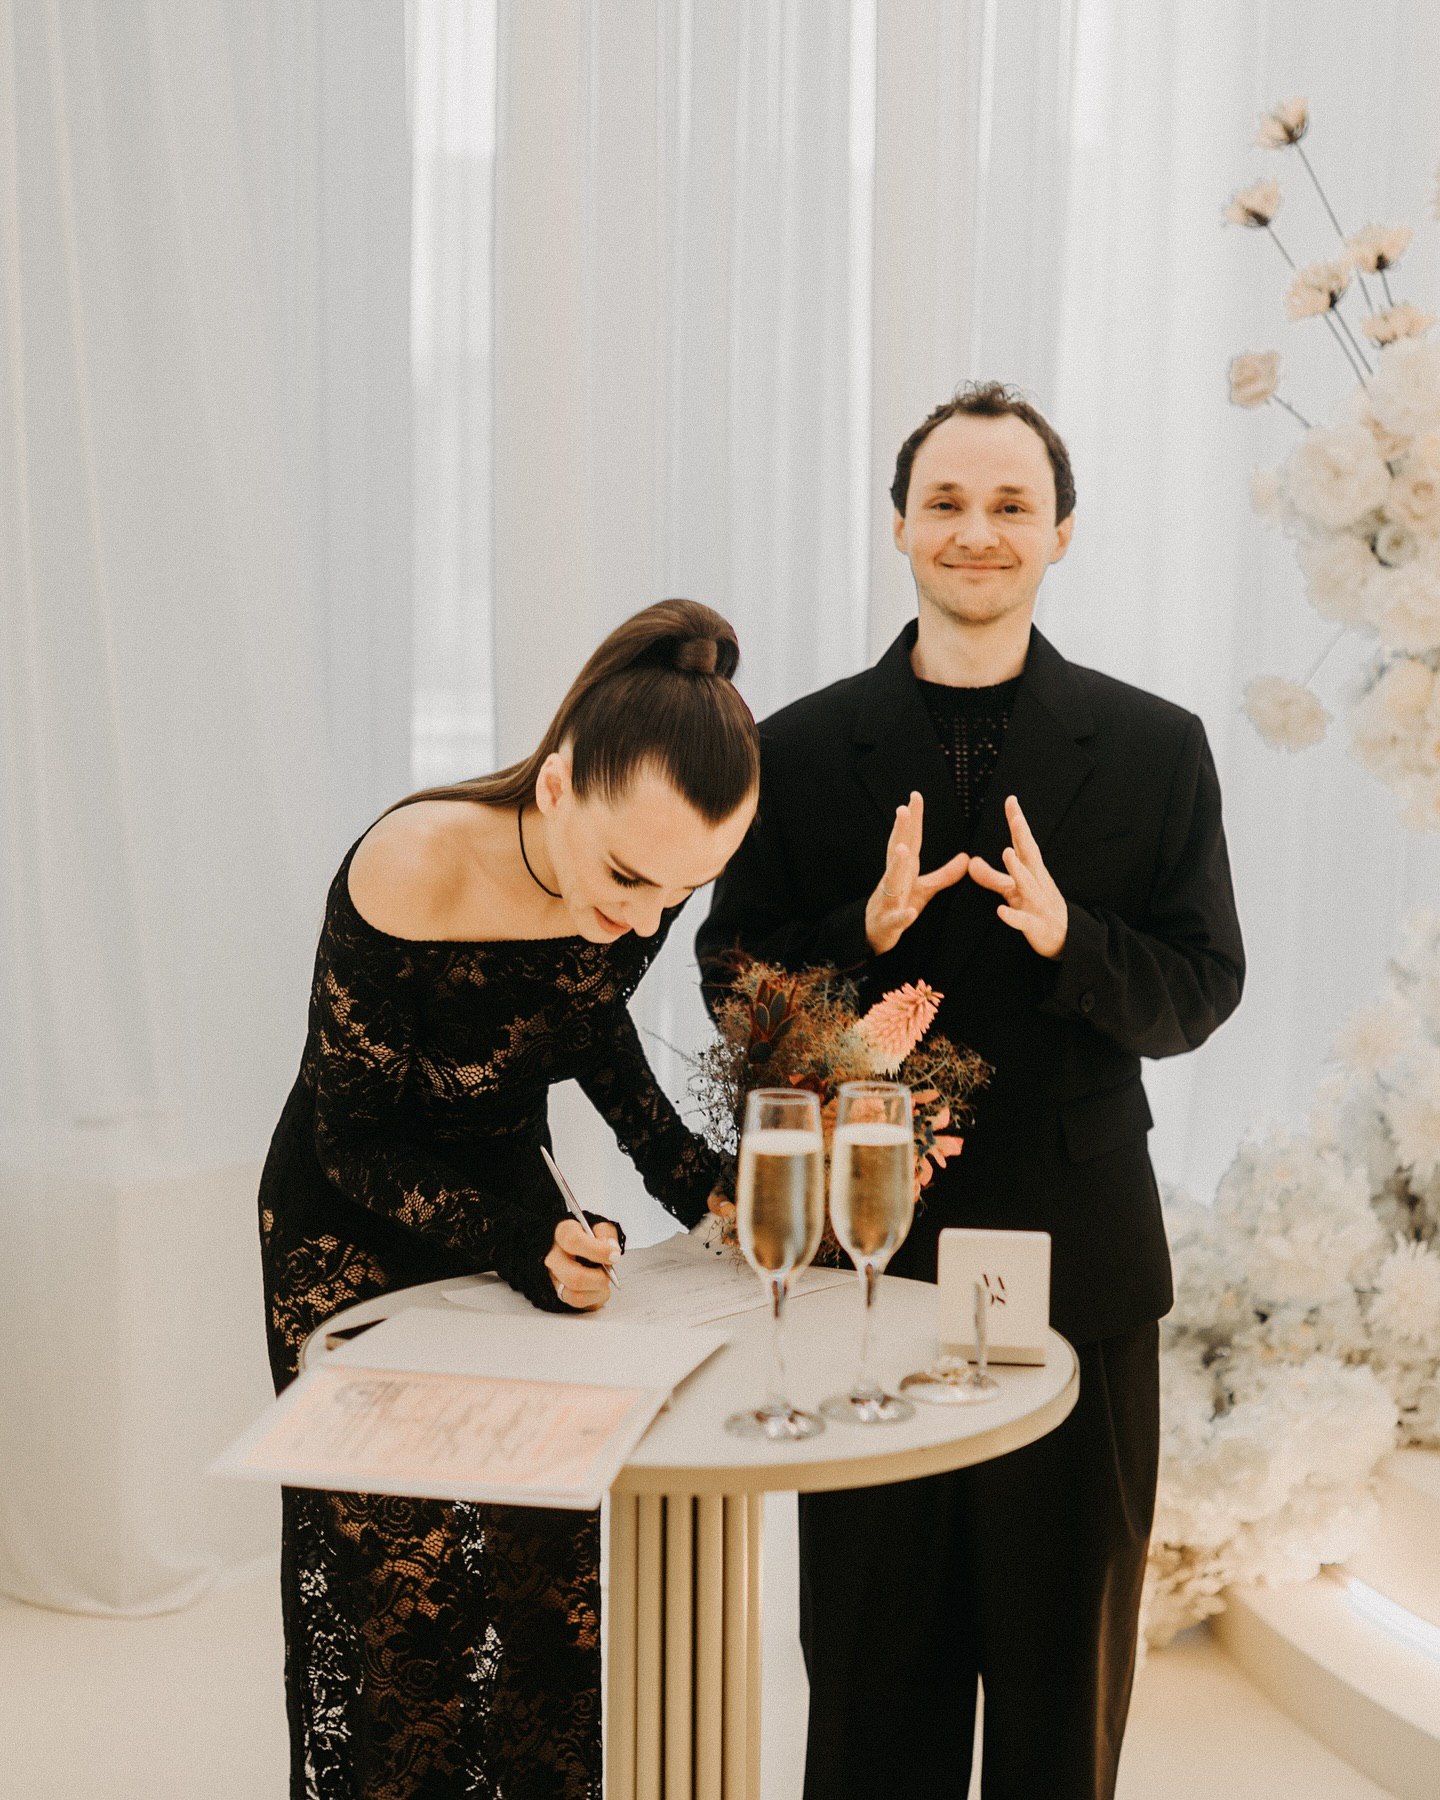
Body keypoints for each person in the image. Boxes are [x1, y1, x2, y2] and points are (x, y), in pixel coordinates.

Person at [697, 382, 1245, 1799]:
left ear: (1062, 531)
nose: (977, 531)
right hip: (870, 1266)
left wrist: (1075, 944)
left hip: (1082, 1273)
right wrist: (860, 935)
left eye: (1012, 504)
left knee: (1065, 1682)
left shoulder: (1157, 747)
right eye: (946, 501)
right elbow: (731, 983)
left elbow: (1202, 988)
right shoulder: (796, 750)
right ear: (899, 525)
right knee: (873, 1676)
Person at [259, 598, 758, 1800]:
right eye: (628, 878)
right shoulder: (413, 861)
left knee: (545, 1583)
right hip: (344, 1220)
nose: (644, 920)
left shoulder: (645, 869)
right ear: (555, 788)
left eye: (681, 891)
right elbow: (353, 1136)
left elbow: (590, 1025)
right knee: (410, 1608)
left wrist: (701, 1182)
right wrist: (523, 1238)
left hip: (509, 1195)